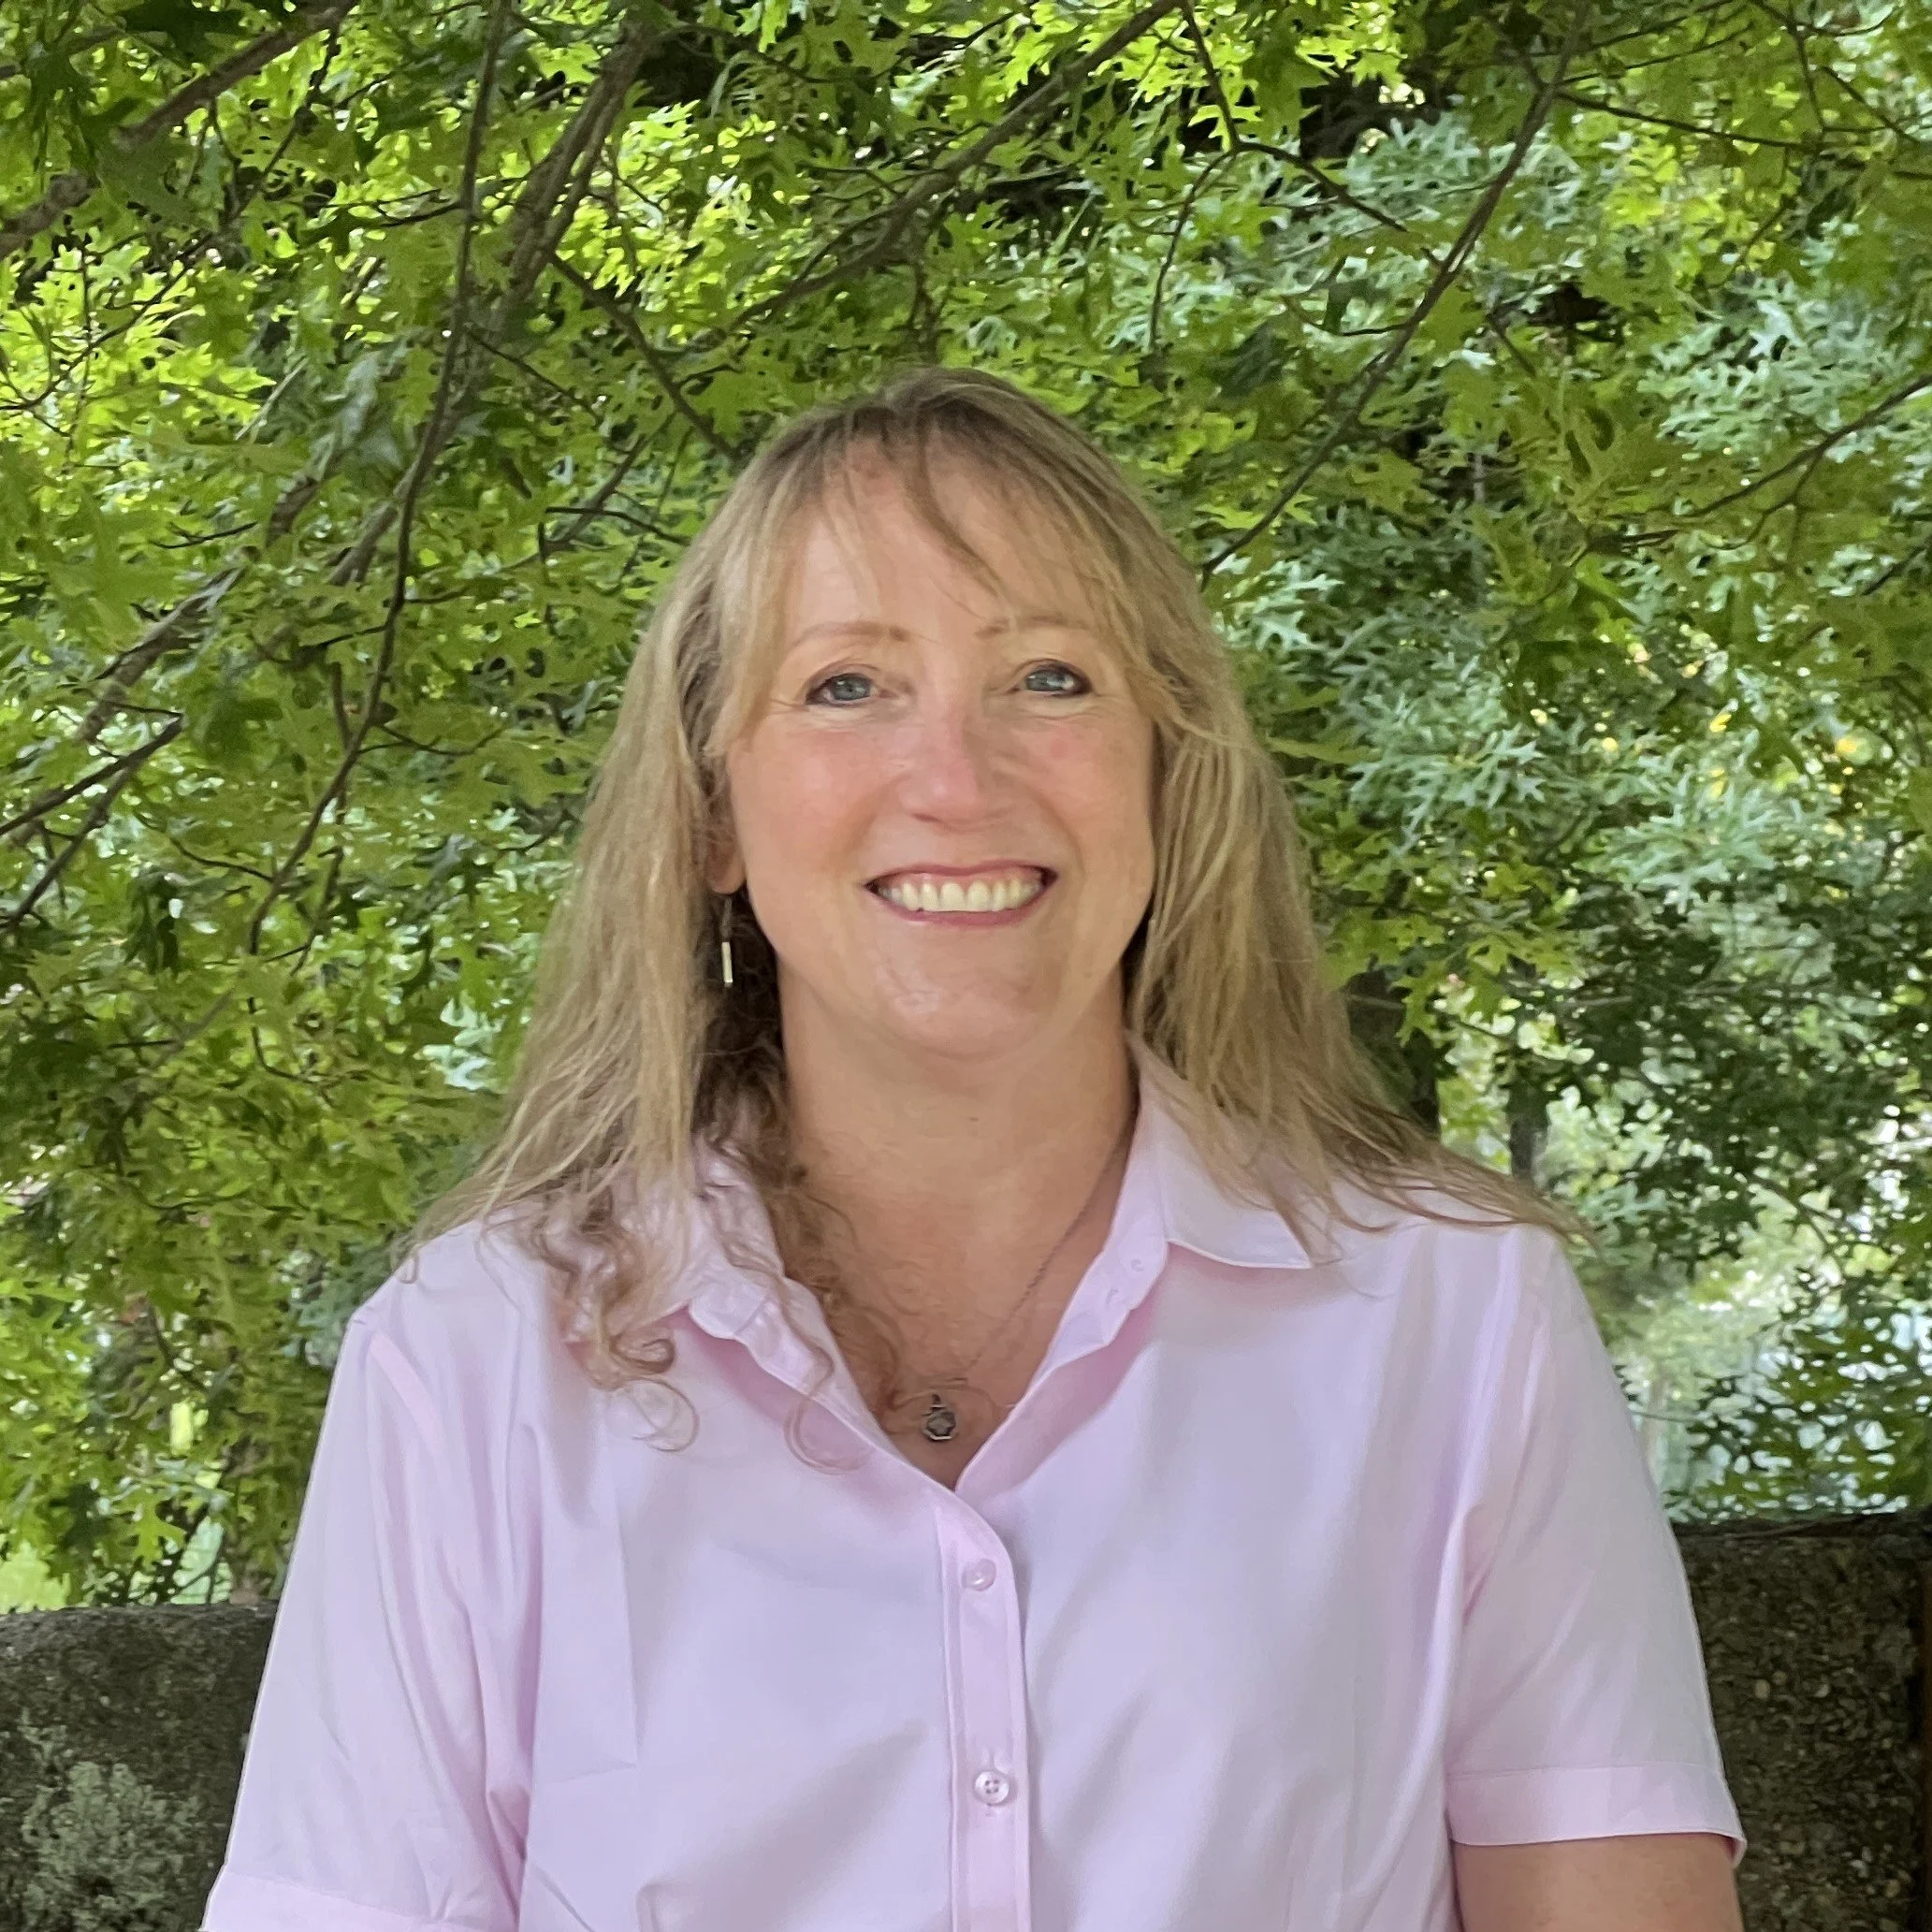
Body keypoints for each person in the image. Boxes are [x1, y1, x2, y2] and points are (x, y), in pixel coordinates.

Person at [202, 367, 1745, 1932]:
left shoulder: (1454, 1321)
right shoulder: (472, 1364)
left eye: (1053, 679)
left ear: (1167, 771)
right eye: (847, 687)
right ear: (713, 817)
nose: (956, 779)